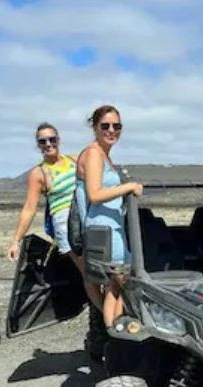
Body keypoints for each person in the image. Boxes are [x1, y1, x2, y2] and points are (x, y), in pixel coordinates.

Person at [76, 105, 143, 328]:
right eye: (105, 126)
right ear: (95, 127)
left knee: (117, 285)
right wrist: (128, 187)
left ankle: (116, 329)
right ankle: (115, 333)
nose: (111, 130)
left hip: (111, 227)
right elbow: (95, 194)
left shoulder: (103, 155)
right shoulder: (94, 154)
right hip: (104, 228)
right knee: (121, 281)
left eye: (117, 126)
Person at [7, 122, 78, 261]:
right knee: (87, 271)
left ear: (58, 140)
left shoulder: (75, 160)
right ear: (38, 145)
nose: (48, 144)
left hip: (86, 218)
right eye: (42, 141)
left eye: (52, 139)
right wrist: (16, 241)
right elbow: (29, 208)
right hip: (66, 225)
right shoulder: (38, 173)